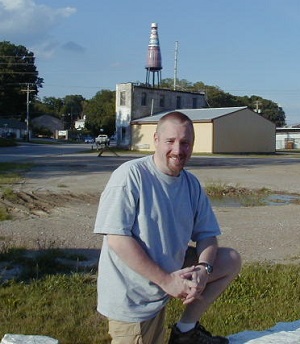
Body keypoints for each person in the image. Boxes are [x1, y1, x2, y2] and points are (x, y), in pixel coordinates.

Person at [94, 111, 241, 344]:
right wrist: (166, 281)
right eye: (170, 141)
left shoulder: (191, 184)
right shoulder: (131, 176)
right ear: (156, 140)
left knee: (229, 259)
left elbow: (207, 235)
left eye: (185, 143)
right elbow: (117, 239)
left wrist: (204, 269)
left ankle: (185, 331)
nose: (178, 150)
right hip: (133, 296)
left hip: (167, 278)